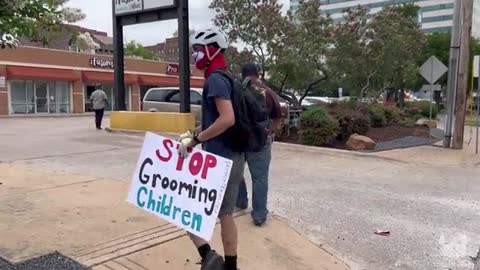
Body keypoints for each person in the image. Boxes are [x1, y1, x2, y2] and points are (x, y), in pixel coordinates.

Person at [177, 29, 244, 270]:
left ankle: (208, 256)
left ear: (211, 49)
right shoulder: (229, 76)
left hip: (219, 157)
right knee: (226, 214)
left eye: (197, 50)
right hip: (234, 154)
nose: (195, 55)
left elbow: (227, 119)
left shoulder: (215, 78)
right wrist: (195, 132)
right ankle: (230, 266)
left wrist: (197, 140)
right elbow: (218, 117)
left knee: (181, 207)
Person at [236, 63, 283, 226]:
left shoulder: (236, 90)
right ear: (258, 74)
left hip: (239, 139)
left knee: (236, 173)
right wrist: (271, 133)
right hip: (261, 140)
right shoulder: (268, 92)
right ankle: (259, 215)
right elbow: (277, 117)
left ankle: (240, 201)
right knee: (260, 178)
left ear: (243, 75)